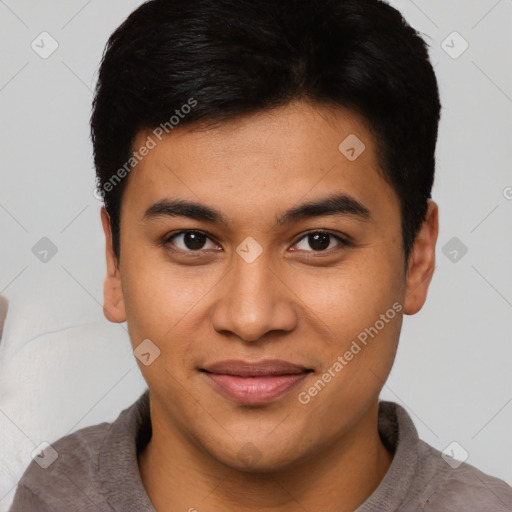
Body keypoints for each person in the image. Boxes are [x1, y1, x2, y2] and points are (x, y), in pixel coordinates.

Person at [10, 0, 512, 510]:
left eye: (319, 241)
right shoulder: (44, 496)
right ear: (114, 263)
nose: (251, 318)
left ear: (418, 258)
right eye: (192, 240)